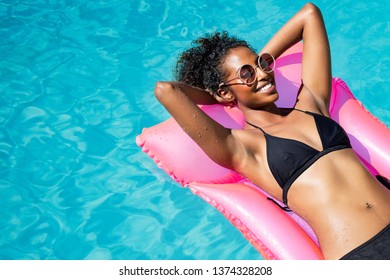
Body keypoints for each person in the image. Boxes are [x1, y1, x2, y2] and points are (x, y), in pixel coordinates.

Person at [153, 3, 390, 260]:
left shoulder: (311, 104)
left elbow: (309, 15)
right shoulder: (242, 148)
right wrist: (221, 96)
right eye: (246, 73)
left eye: (262, 65)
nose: (263, 75)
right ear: (223, 91)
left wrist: (257, 67)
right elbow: (167, 91)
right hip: (360, 255)